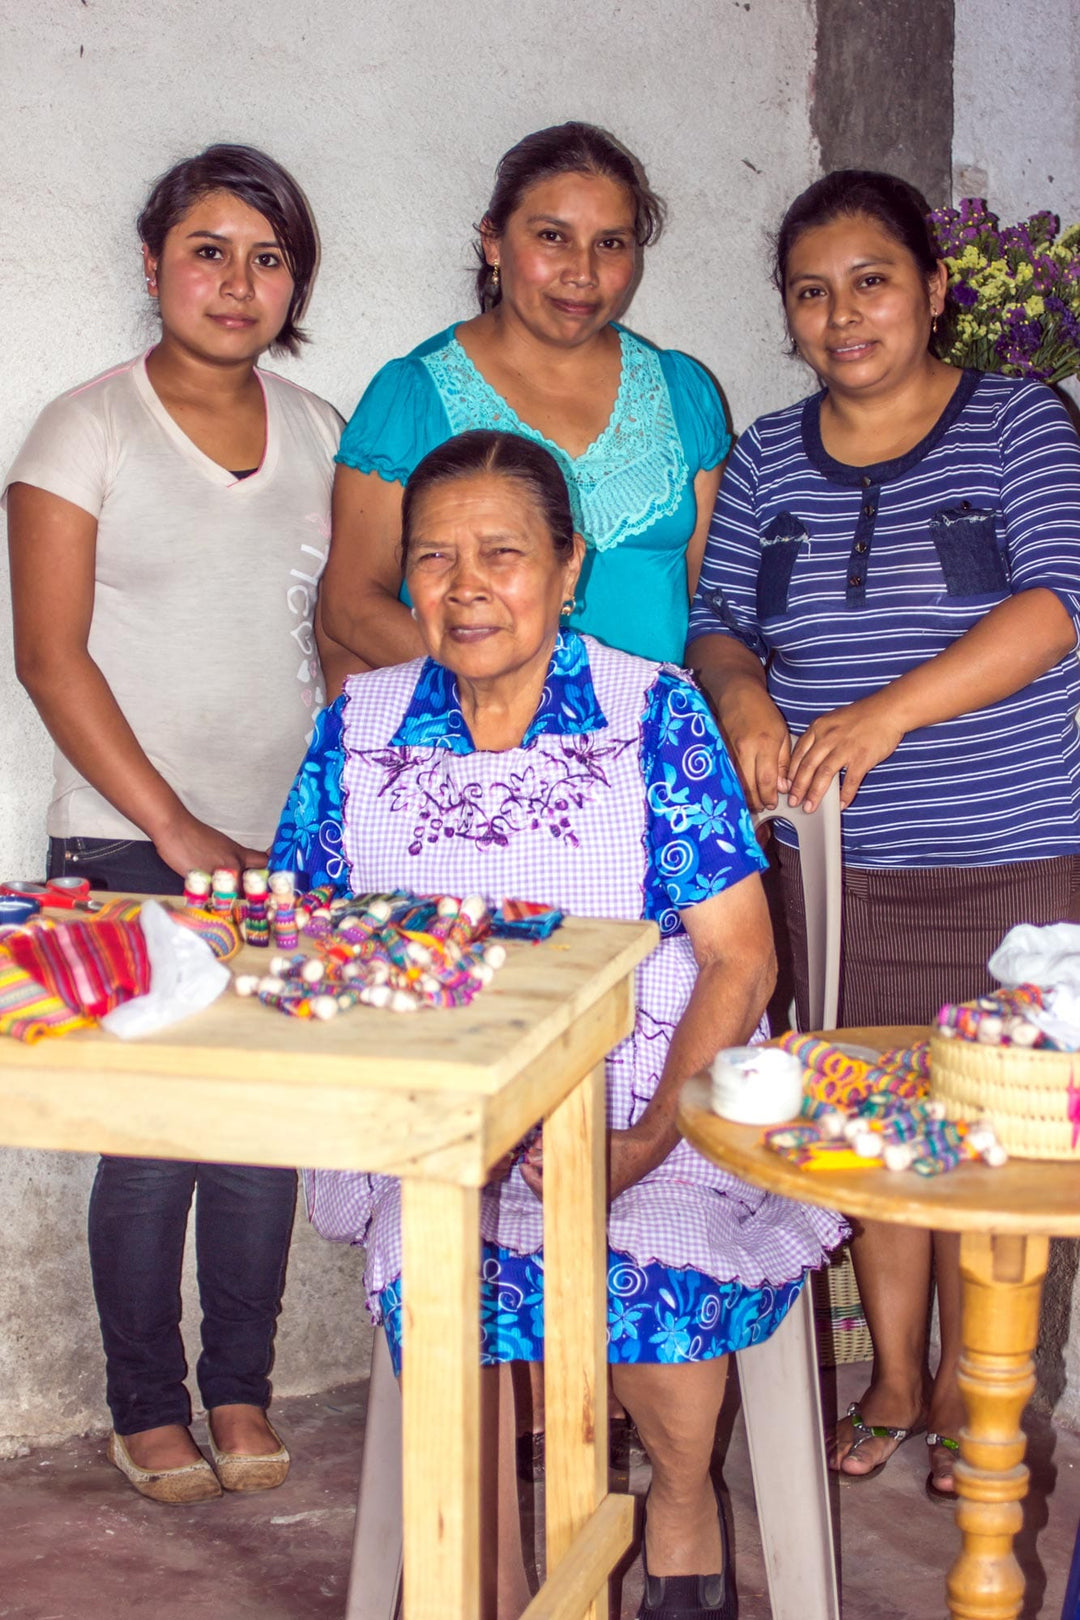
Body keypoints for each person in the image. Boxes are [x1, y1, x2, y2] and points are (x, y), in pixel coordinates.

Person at [272, 429, 845, 1618]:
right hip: (445, 1126)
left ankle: (681, 1500)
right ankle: (502, 1585)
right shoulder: (359, 725)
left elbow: (739, 960)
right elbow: (305, 947)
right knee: (449, 1275)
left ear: (567, 566)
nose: (465, 586)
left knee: (649, 1272)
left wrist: (638, 1142)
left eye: (501, 553)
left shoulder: (656, 714)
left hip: (650, 1103)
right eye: (432, 559)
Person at [687, 169, 1080, 1502]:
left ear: (932, 291)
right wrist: (743, 695)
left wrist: (883, 714)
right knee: (875, 1128)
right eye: (812, 290)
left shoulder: (1020, 423)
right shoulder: (768, 459)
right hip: (837, 875)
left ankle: (991, 1398)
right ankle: (899, 1379)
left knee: (998, 1148)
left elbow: (1056, 606)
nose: (843, 313)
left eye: (872, 281)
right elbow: (721, 621)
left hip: (1013, 866)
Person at [4, 144, 343, 1502]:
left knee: (258, 1135)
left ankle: (242, 1389)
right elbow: (51, 659)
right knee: (149, 1138)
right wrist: (181, 829)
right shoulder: (81, 429)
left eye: (267, 258)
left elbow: (339, 636)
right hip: (124, 840)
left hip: (284, 845)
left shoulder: (323, 434)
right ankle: (144, 1406)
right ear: (153, 264)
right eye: (210, 250)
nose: (237, 281)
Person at [318, 120, 729, 680]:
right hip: (477, 748)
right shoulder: (414, 397)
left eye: (610, 243)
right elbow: (350, 606)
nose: (582, 273)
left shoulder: (682, 393)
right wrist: (535, 700)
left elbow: (717, 606)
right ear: (494, 241)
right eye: (552, 236)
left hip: (653, 748)